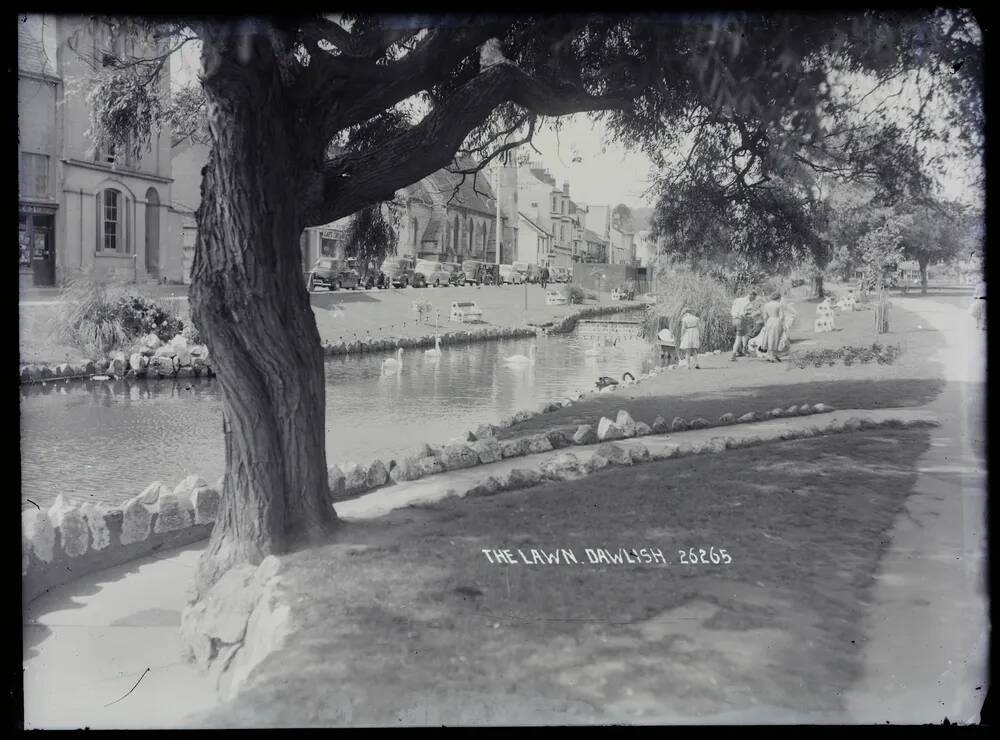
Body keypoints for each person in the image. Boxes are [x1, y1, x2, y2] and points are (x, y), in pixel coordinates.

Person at [756, 291, 786, 362]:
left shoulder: (767, 305)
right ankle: (772, 355)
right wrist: (783, 325)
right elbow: (782, 317)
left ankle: (770, 355)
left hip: (769, 321)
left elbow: (765, 316)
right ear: (778, 297)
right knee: (775, 338)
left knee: (769, 338)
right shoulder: (779, 305)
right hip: (776, 321)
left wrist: (766, 323)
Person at [730, 289, 759, 361]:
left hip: (734, 320)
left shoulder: (737, 300)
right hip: (741, 320)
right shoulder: (748, 303)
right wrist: (756, 314)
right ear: (751, 295)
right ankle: (733, 355)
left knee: (745, 334)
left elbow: (732, 310)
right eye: (754, 298)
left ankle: (743, 350)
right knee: (738, 338)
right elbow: (745, 314)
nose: (754, 300)